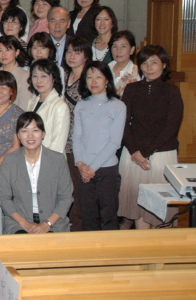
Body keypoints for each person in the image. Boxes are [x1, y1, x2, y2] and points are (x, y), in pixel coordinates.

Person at [118, 45, 183, 229]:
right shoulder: (131, 89)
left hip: (160, 154)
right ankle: (142, 242)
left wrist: (145, 153)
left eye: (154, 63)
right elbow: (123, 123)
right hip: (133, 154)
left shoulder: (172, 91)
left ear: (164, 65)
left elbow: (171, 127)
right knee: (137, 206)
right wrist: (135, 152)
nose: (149, 67)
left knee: (160, 207)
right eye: (145, 63)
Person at [0, 112, 73, 234]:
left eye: (35, 130)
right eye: (24, 131)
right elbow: (3, 197)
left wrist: (48, 223)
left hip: (54, 224)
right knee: (22, 244)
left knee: (50, 244)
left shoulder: (57, 160)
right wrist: (24, 224)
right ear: (18, 136)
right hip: (19, 224)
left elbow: (66, 197)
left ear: (43, 134)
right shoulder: (10, 160)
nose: (30, 136)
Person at [73, 61, 125, 231]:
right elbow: (76, 138)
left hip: (106, 169)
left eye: (98, 77)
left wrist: (91, 168)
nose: (93, 81)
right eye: (89, 77)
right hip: (84, 169)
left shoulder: (118, 106)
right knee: (88, 216)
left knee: (108, 216)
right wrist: (80, 164)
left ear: (107, 80)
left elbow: (114, 143)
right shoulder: (81, 105)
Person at [61, 36, 93, 231]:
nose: (72, 56)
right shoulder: (63, 76)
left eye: (77, 52)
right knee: (65, 190)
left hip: (80, 145)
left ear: (86, 55)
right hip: (61, 142)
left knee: (79, 193)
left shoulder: (89, 80)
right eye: (69, 51)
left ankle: (79, 231)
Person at [25, 59, 69, 154]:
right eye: (35, 76)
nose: (38, 81)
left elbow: (58, 144)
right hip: (32, 156)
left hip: (50, 159)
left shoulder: (60, 106)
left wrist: (44, 161)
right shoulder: (32, 102)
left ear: (54, 79)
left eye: (44, 76)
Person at [0, 35, 31, 110]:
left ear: (17, 52)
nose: (3, 54)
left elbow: (24, 106)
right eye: (0, 50)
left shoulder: (25, 76)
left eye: (8, 50)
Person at [108, 30, 139, 97]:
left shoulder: (138, 73)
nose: (118, 51)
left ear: (132, 50)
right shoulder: (105, 70)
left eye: (123, 46)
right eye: (115, 46)